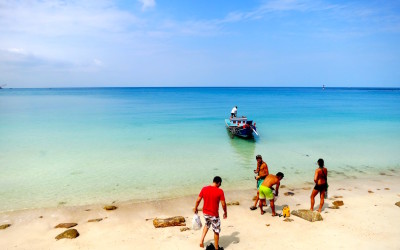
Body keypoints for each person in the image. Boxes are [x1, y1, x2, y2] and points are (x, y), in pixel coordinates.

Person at [194, 176, 227, 250]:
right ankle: (216, 248)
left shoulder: (204, 188)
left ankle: (201, 241)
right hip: (214, 215)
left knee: (207, 224)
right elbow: (223, 204)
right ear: (218, 183)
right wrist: (225, 212)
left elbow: (198, 200)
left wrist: (196, 208)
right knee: (216, 230)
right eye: (220, 184)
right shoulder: (220, 191)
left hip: (205, 213)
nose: (220, 186)